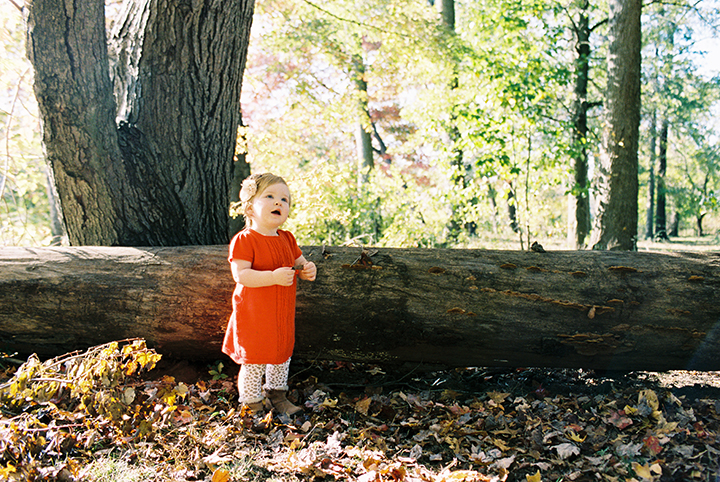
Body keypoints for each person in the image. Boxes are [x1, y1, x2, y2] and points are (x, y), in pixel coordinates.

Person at [222, 173, 317, 416]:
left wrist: (308, 269)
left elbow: (300, 262)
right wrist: (272, 277)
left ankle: (278, 396)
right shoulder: (245, 239)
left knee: (280, 356)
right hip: (254, 314)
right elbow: (241, 275)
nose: (279, 203)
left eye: (285, 200)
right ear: (250, 206)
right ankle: (251, 403)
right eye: (270, 196)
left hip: (281, 313)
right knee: (254, 360)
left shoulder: (287, 238)